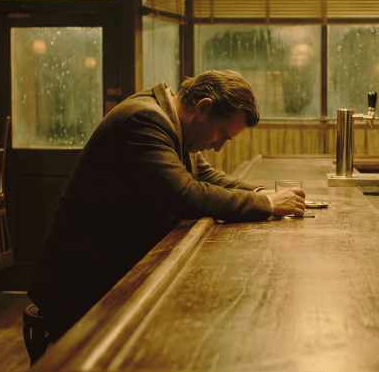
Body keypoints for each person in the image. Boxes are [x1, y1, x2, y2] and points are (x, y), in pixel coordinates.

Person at [28, 70, 305, 341]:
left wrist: (263, 192)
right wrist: (267, 203)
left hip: (112, 271)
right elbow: (185, 194)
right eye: (221, 134)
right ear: (203, 107)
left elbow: (205, 176)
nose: (219, 146)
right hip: (82, 285)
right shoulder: (143, 119)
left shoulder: (172, 121)